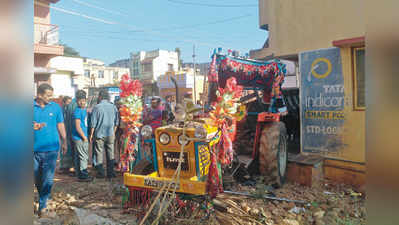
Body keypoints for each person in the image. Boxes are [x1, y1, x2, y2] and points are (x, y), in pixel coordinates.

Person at [34, 83, 67, 217]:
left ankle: (42, 206)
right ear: (39, 95)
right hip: (33, 150)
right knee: (36, 177)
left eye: (51, 95)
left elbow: (60, 124)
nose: (50, 98)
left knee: (47, 179)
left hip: (51, 150)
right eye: (48, 95)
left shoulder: (56, 107)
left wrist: (64, 140)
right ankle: (43, 197)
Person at [89, 90, 119, 178]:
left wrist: (91, 135)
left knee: (99, 154)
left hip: (99, 134)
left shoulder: (97, 107)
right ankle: (111, 173)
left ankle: (101, 173)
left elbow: (93, 123)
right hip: (110, 133)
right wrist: (113, 132)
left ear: (100, 97)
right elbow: (116, 122)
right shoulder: (113, 107)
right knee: (111, 153)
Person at [72, 90, 93, 182]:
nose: (82, 102)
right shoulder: (77, 111)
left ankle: (79, 174)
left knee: (79, 156)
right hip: (80, 137)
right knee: (83, 156)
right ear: (76, 101)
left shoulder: (83, 110)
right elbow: (77, 126)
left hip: (79, 137)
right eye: (80, 100)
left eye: (84, 100)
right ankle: (83, 175)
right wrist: (84, 137)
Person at [60, 95, 78, 176]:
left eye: (70, 102)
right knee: (66, 149)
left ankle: (68, 166)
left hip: (68, 132)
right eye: (68, 102)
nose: (69, 103)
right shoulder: (63, 109)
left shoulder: (66, 109)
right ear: (64, 102)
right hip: (65, 132)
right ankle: (65, 166)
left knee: (69, 149)